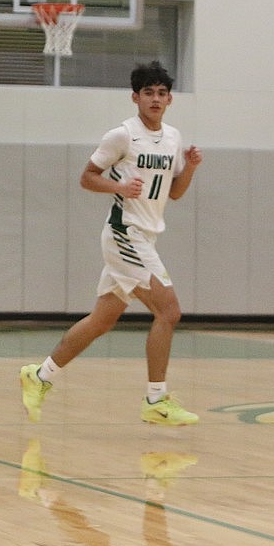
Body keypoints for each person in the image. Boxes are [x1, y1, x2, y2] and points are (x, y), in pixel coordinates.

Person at [19, 61, 202, 427]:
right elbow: (87, 177)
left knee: (102, 320)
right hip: (125, 234)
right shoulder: (122, 135)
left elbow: (176, 193)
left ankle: (40, 376)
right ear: (135, 97)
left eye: (161, 93)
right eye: (148, 92)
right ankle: (156, 399)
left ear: (169, 100)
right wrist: (118, 187)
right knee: (169, 311)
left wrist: (192, 167)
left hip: (146, 236)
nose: (155, 98)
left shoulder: (173, 138)